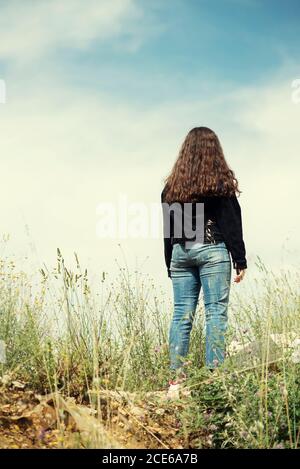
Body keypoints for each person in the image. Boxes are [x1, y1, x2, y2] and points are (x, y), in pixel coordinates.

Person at [161, 126, 247, 398]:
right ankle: (214, 380)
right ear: (214, 152)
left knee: (181, 316)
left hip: (181, 253)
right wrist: (240, 258)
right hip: (211, 249)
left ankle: (175, 383)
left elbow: (169, 229)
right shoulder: (218, 185)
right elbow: (231, 222)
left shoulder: (172, 188)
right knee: (215, 313)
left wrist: (170, 263)